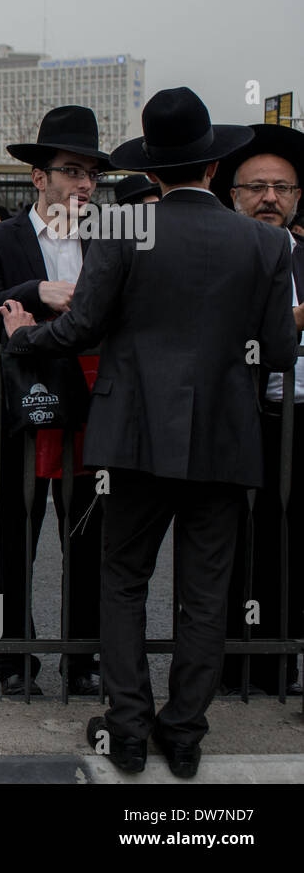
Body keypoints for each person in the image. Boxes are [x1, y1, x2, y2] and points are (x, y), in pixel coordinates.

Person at [1, 87, 296, 779]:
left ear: (153, 168)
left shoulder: (122, 229)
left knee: (123, 582)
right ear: (215, 168)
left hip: (132, 435)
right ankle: (185, 733)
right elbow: (278, 352)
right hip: (226, 440)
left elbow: (81, 328)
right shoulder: (265, 241)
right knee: (206, 591)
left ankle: (128, 729)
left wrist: (22, 335)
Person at [0, 104, 112, 697]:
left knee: (88, 540)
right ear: (38, 177)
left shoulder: (112, 237)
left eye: (91, 174)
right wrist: (37, 291)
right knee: (14, 540)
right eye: (72, 171)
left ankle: (82, 660)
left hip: (97, 406)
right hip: (21, 410)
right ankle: (13, 661)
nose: (83, 184)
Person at [210, 123, 304, 696]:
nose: (271, 197)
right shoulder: (215, 256)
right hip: (233, 421)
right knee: (226, 547)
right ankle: (222, 669)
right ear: (233, 195)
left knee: (290, 549)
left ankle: (280, 666)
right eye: (258, 187)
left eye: (283, 187)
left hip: (297, 420)